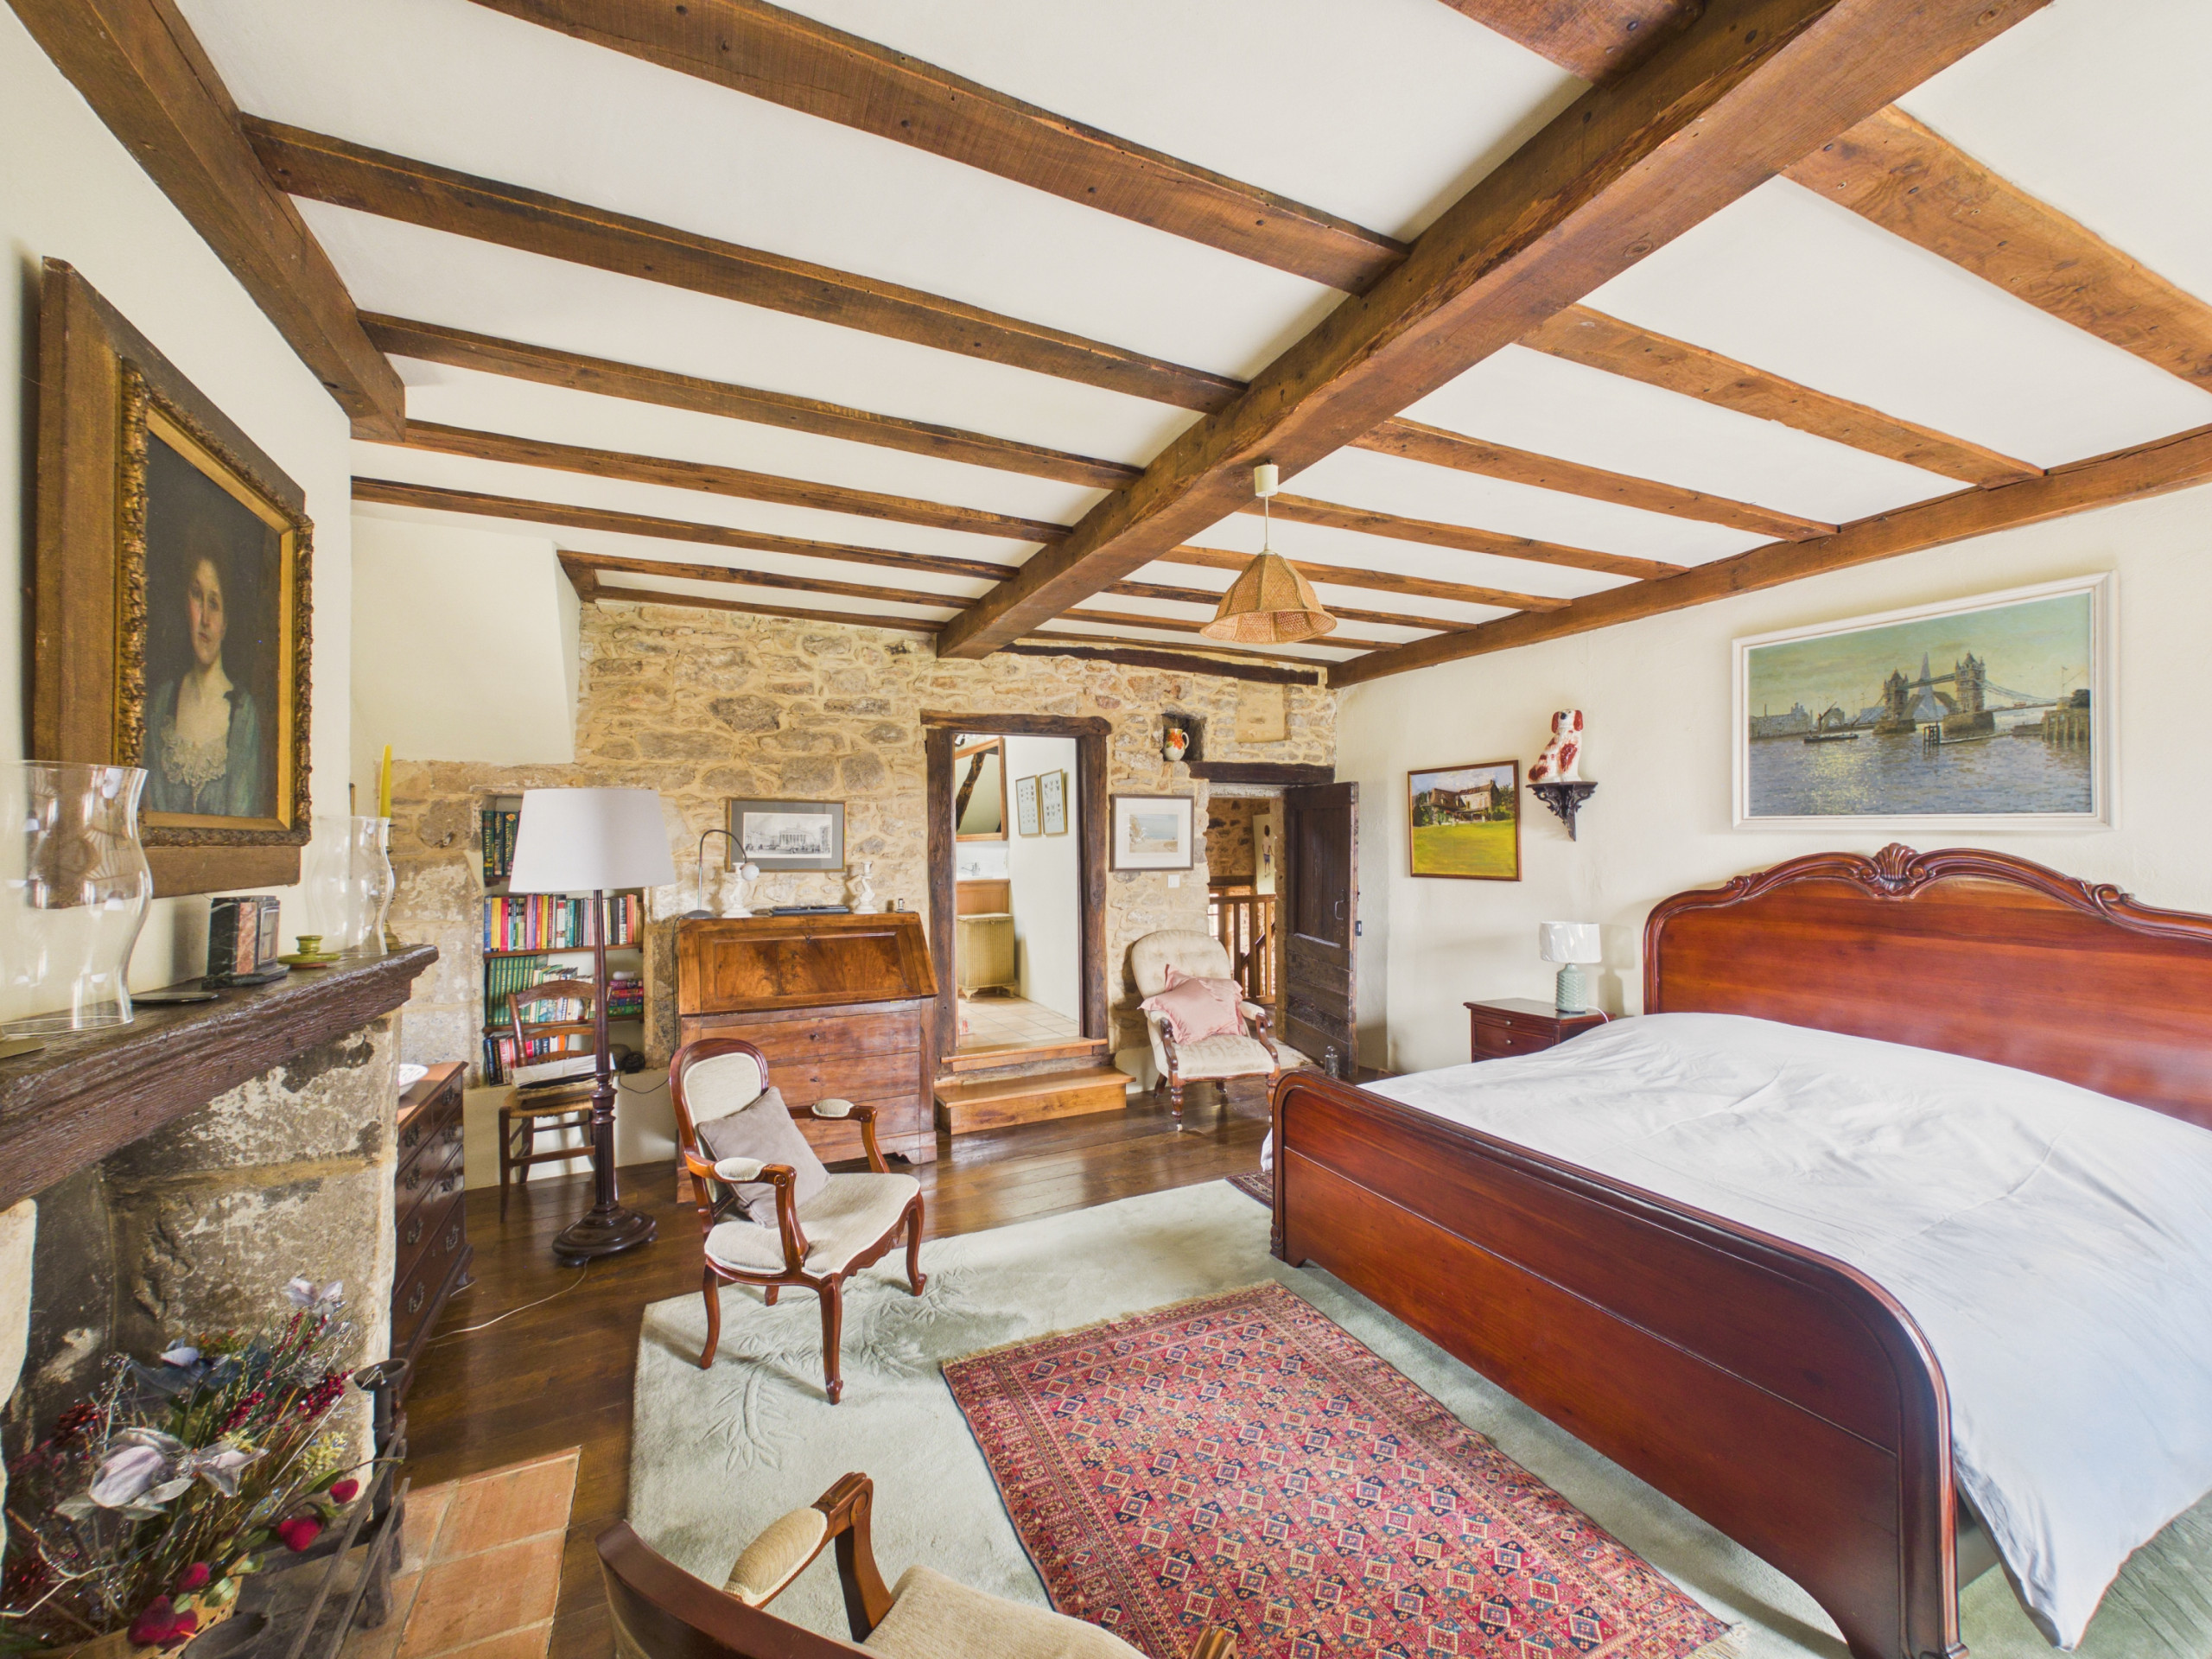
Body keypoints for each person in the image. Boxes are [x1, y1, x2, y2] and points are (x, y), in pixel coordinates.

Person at [145, 537, 264, 817]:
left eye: (215, 603)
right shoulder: (160, 704)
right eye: (197, 595)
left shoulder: (244, 713)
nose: (205, 620)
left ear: (226, 622)